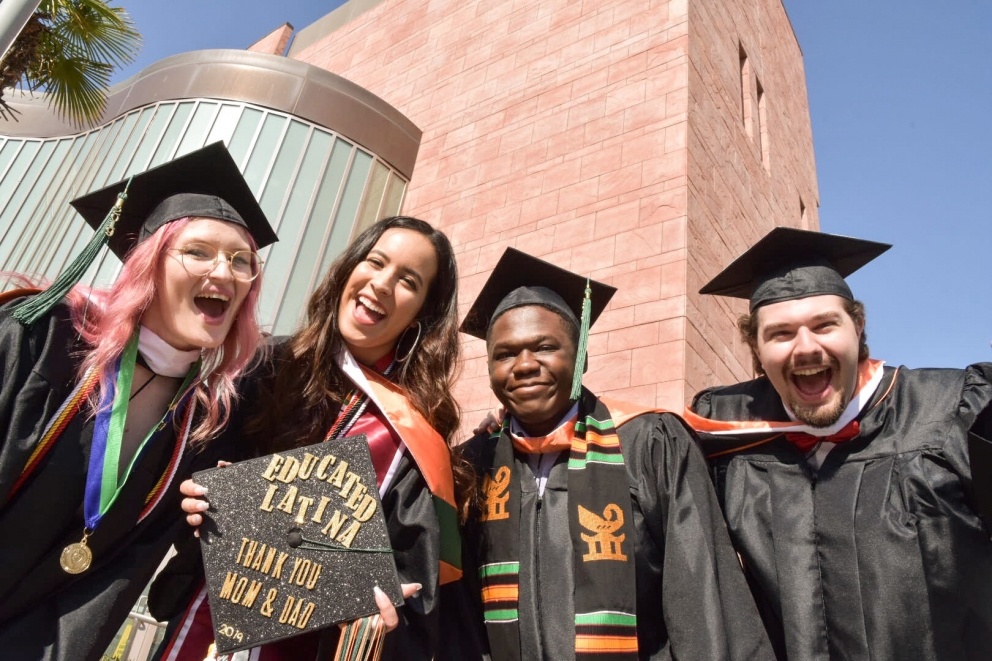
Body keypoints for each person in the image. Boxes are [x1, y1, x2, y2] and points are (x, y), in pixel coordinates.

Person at [0, 142, 277, 660]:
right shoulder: (40, 339)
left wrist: (360, 589)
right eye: (198, 251)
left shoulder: (201, 424)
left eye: (242, 262)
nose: (225, 271)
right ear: (147, 262)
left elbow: (176, 584)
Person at [152, 215, 464, 660]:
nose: (381, 284)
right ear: (349, 269)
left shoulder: (414, 437)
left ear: (422, 314)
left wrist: (384, 608)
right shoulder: (263, 366)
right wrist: (196, 500)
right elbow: (185, 491)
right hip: (207, 625)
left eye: (408, 281)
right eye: (375, 262)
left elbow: (414, 581)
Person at [443, 248, 772, 660]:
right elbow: (457, 618)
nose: (524, 365)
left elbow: (703, 595)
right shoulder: (473, 467)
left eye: (545, 347)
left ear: (581, 356)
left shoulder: (649, 443)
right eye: (505, 354)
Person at [686, 227, 992, 660]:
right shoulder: (723, 433)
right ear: (754, 346)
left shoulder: (954, 411)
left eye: (825, 324)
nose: (806, 348)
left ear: (859, 325)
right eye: (780, 333)